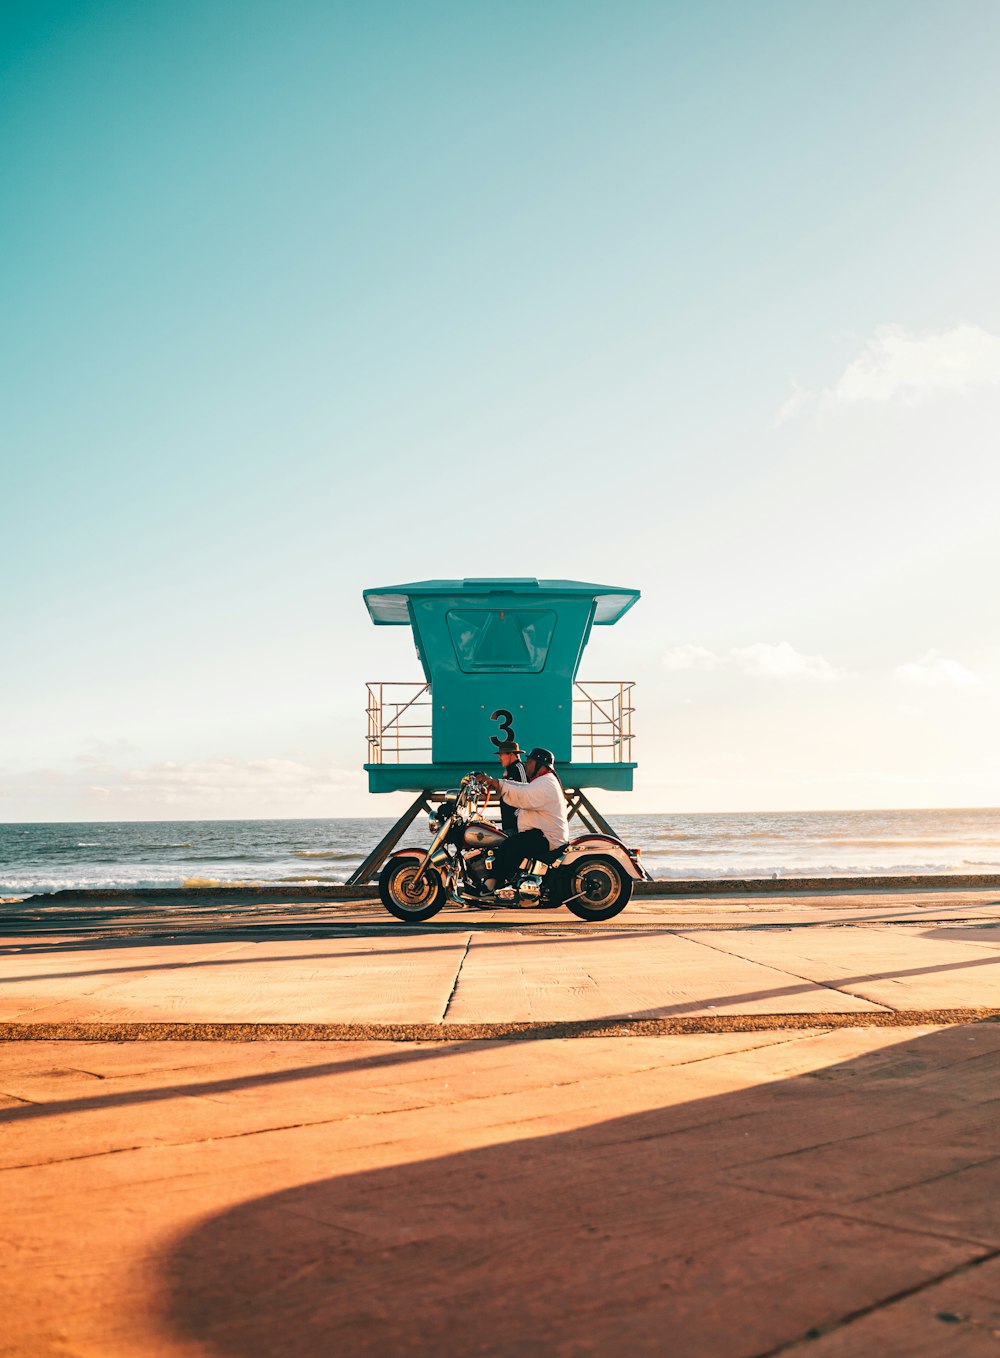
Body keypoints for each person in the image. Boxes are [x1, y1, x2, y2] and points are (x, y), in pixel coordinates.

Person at [477, 747, 569, 887]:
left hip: (546, 838)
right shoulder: (541, 781)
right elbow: (520, 787)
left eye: (530, 762)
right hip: (541, 835)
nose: (526, 764)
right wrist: (497, 783)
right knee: (508, 843)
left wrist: (495, 783)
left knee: (511, 846)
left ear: (540, 765)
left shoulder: (546, 782)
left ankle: (492, 885)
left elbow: (523, 795)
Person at [495, 739, 528, 836]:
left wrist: (517, 815)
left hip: (517, 827)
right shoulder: (508, 771)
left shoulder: (520, 768)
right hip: (508, 826)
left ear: (511, 754)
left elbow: (526, 792)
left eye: (501, 755)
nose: (499, 758)